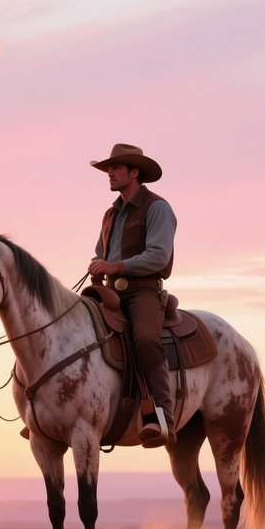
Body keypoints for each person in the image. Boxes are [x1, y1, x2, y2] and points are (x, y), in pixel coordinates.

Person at [88, 143, 178, 448]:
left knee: (145, 340)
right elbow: (102, 252)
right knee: (75, 329)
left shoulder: (157, 208)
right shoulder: (110, 214)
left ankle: (164, 417)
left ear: (134, 172)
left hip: (144, 292)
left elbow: (158, 256)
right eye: (108, 169)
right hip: (110, 291)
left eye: (115, 168)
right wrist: (98, 266)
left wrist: (116, 265)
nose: (110, 174)